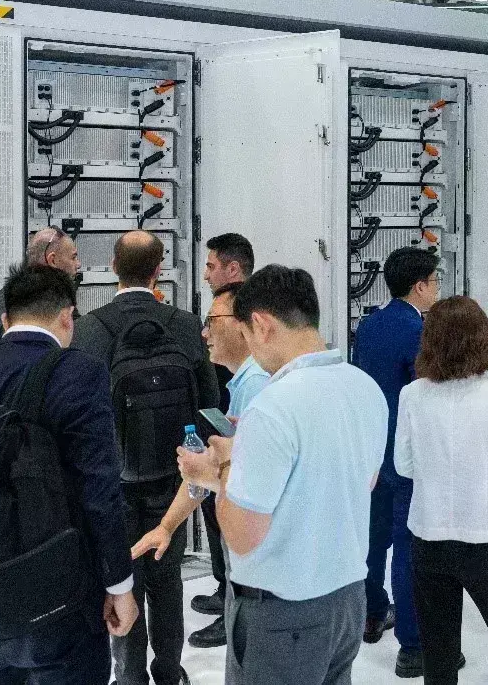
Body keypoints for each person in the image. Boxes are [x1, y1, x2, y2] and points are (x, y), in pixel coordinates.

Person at [0, 264, 137, 684]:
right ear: (67, 317)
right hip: (63, 599)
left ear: (5, 320)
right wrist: (119, 585)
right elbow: (101, 492)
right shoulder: (80, 373)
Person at [177, 265, 387, 685]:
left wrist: (222, 467)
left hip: (282, 616)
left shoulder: (272, 406)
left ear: (261, 324)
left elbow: (242, 536)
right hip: (347, 600)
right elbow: (359, 484)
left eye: (246, 334)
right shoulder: (365, 387)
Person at [70, 231, 220, 685]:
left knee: (122, 579)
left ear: (114, 266)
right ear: (159, 270)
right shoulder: (185, 325)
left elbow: (78, 416)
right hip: (175, 479)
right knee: (167, 577)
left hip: (113, 482)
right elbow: (210, 405)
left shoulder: (89, 329)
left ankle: (130, 676)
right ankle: (170, 671)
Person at [395, 296, 488, 685]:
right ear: (484, 339)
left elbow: (403, 465)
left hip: (428, 537)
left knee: (438, 653)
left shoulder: (412, 395)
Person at [127, 281, 272, 669]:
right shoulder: (245, 385)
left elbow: (252, 482)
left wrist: (211, 471)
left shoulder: (258, 387)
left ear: (244, 324)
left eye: (212, 321)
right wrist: (167, 526)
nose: (204, 333)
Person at [352, 247, 442, 677]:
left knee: (373, 539)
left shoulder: (368, 325)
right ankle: (412, 645)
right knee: (407, 548)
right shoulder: (419, 331)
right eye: (435, 281)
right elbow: (426, 395)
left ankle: (372, 614)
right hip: (406, 454)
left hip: (371, 450)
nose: (437, 289)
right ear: (419, 286)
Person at [192, 232, 256, 647]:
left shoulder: (256, 379)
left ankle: (234, 606)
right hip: (220, 422)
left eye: (212, 266)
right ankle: (225, 589)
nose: (205, 274)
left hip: (232, 430)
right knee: (217, 515)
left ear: (234, 269)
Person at [0, 226, 82, 365]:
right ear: (52, 260)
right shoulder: (49, 299)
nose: (78, 264)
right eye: (73, 257)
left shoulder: (14, 291)